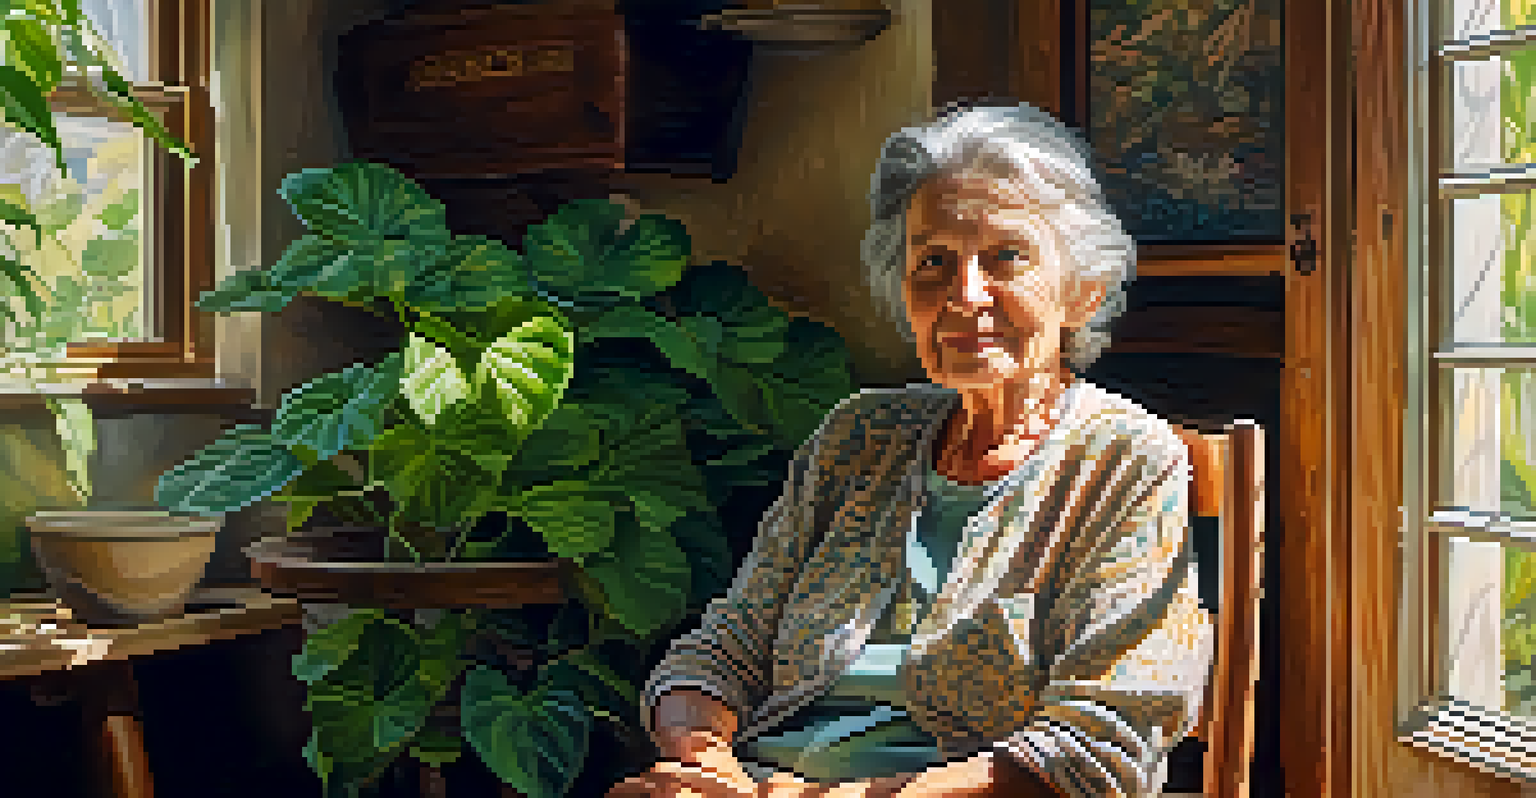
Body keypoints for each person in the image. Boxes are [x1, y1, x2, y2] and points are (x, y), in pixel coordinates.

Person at [606, 103, 1214, 798]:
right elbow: (725, 647)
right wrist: (705, 760)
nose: (965, 294)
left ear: (1082, 291)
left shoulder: (1123, 459)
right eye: (933, 261)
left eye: (1006, 256)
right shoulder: (859, 437)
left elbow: (1097, 743)